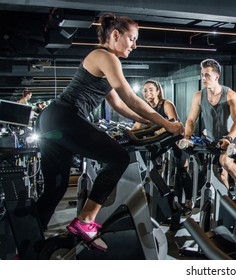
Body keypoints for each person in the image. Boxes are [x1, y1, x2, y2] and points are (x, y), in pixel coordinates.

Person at [35, 13, 184, 251]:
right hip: (65, 117)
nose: (135, 45)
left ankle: (25, 244)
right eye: (132, 39)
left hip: (52, 120)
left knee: (55, 189)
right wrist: (166, 123)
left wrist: (149, 123)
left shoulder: (103, 60)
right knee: (118, 158)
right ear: (116, 35)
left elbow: (118, 104)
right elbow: (131, 98)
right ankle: (86, 220)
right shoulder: (105, 56)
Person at [183, 58, 236, 194]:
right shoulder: (199, 96)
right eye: (202, 75)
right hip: (212, 138)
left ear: (217, 76)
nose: (204, 78)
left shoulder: (230, 95)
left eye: (207, 75)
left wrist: (229, 138)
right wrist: (187, 136)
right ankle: (224, 199)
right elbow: (191, 120)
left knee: (225, 161)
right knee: (218, 173)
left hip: (232, 136)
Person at [131, 80, 192, 214]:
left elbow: (174, 124)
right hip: (160, 142)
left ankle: (188, 201)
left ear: (158, 91)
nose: (148, 93)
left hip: (175, 141)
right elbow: (136, 126)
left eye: (151, 89)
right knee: (146, 162)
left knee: (181, 170)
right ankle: (161, 197)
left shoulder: (166, 104)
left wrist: (157, 130)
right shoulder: (145, 108)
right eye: (145, 90)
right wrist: (126, 134)